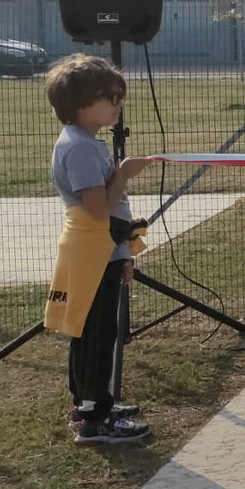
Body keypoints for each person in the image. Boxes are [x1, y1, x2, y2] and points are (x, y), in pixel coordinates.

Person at [42, 53, 153, 444]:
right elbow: (99, 209)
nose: (117, 105)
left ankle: (95, 403)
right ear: (80, 104)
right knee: (94, 334)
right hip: (90, 256)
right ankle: (94, 419)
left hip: (100, 252)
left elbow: (108, 216)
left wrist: (122, 254)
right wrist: (122, 174)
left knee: (99, 331)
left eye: (118, 97)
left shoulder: (87, 142)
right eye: (110, 98)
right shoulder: (82, 148)